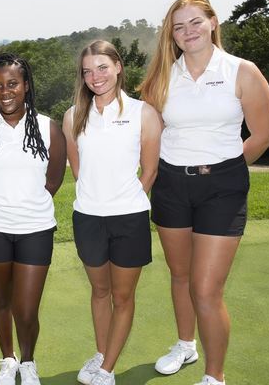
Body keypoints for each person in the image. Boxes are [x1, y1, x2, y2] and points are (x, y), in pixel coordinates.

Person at [138, 0, 269, 385]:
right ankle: (186, 345)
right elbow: (150, 135)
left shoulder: (242, 71)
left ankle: (215, 376)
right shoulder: (162, 77)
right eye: (179, 27)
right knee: (180, 275)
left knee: (205, 288)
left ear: (213, 22)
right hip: (171, 185)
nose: (188, 32)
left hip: (222, 189)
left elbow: (263, 134)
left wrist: (224, 170)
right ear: (172, 35)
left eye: (195, 22)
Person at [0, 53, 66, 385]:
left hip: (36, 230)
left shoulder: (48, 128)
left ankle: (28, 361)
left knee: (27, 309)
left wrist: (26, 206)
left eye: (13, 84)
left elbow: (54, 180)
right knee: (0, 299)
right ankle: (8, 359)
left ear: (26, 86)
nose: (5, 92)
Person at [62, 40, 161, 385]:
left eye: (102, 67)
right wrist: (100, 199)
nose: (96, 76)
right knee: (100, 291)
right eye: (88, 71)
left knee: (122, 295)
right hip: (88, 217)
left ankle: (106, 370)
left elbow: (150, 169)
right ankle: (102, 353)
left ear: (118, 67)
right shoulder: (73, 116)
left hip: (129, 218)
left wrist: (126, 200)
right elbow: (78, 169)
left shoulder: (143, 113)